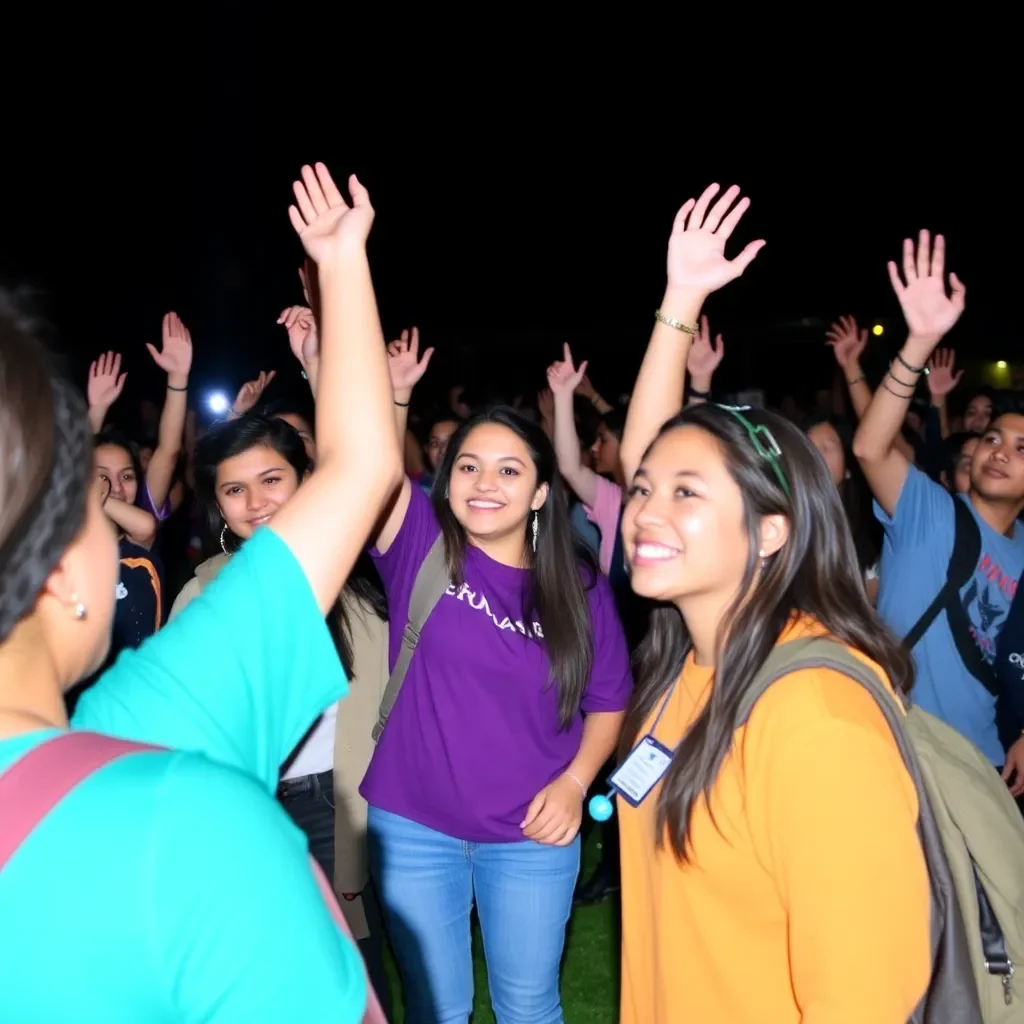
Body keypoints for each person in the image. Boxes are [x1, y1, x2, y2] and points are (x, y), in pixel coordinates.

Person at [0, 163, 402, 1021]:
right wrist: (342, 262)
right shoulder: (174, 799)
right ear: (66, 574)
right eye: (96, 511)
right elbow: (364, 467)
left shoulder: (156, 710)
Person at [615, 183, 930, 1023]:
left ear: (770, 532)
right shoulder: (691, 669)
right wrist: (679, 302)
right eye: (643, 490)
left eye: (687, 493)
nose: (645, 512)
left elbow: (862, 1000)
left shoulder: (814, 717)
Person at [365, 341, 633, 1022]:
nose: (486, 483)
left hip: (533, 834)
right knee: (436, 1008)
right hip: (413, 825)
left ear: (541, 491)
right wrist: (393, 395)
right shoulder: (417, 545)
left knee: (528, 1005)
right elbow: (369, 468)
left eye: (509, 470)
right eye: (470, 467)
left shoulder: (579, 586)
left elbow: (609, 700)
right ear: (445, 480)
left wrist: (576, 785)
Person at [853, 229, 1024, 778]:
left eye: (1022, 449)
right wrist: (919, 343)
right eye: (993, 438)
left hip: (982, 762)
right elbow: (869, 447)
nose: (1000, 452)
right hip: (894, 747)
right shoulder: (930, 509)